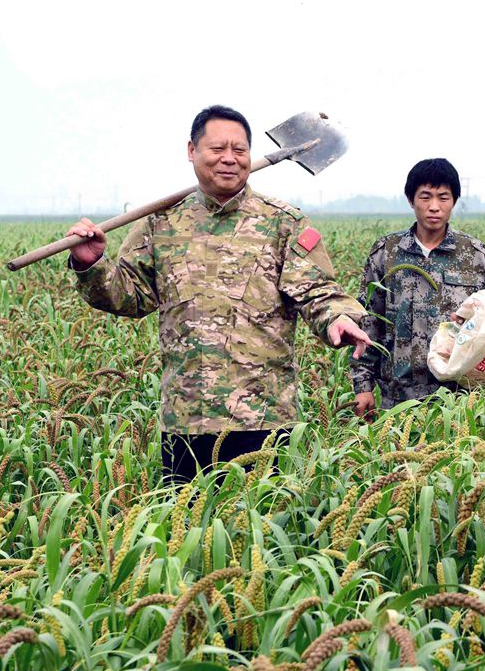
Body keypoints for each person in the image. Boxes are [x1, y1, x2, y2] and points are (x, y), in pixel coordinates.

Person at [67, 105, 371, 483]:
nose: (229, 158)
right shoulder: (159, 225)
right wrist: (90, 264)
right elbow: (127, 297)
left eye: (239, 150)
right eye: (217, 149)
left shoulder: (283, 223)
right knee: (184, 533)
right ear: (191, 151)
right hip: (186, 421)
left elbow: (318, 292)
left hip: (264, 420)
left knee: (263, 532)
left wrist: (340, 318)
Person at [351, 158, 485, 418]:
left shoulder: (477, 257)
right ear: (411, 200)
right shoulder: (386, 254)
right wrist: (363, 386)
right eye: (425, 197)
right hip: (398, 398)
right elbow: (368, 323)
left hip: (460, 400)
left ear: (454, 201)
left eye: (443, 198)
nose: (434, 207)